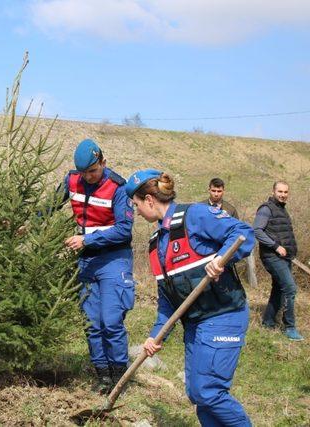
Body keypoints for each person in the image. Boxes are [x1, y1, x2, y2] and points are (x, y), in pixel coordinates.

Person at [125, 169, 254, 427]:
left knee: (209, 391)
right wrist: (156, 335)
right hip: (195, 324)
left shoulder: (194, 215)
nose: (136, 211)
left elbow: (243, 232)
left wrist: (221, 258)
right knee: (196, 393)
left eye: (136, 204)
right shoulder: (155, 244)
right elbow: (167, 299)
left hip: (223, 316)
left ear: (149, 200)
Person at [57, 138, 135, 394]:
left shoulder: (118, 188)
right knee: (91, 321)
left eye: (93, 171)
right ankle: (102, 375)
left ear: (103, 162)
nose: (88, 177)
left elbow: (124, 231)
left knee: (111, 320)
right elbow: (47, 208)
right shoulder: (71, 181)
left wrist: (87, 239)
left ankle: (119, 377)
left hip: (114, 258)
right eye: (83, 173)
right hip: (87, 259)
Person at [253, 181, 303, 341]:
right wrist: (275, 246)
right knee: (290, 288)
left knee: (279, 289)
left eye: (286, 192)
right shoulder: (266, 209)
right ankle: (290, 327)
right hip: (272, 256)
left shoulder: (282, 210)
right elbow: (257, 230)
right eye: (280, 191)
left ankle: (268, 321)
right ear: (273, 191)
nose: (283, 194)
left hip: (284, 257)